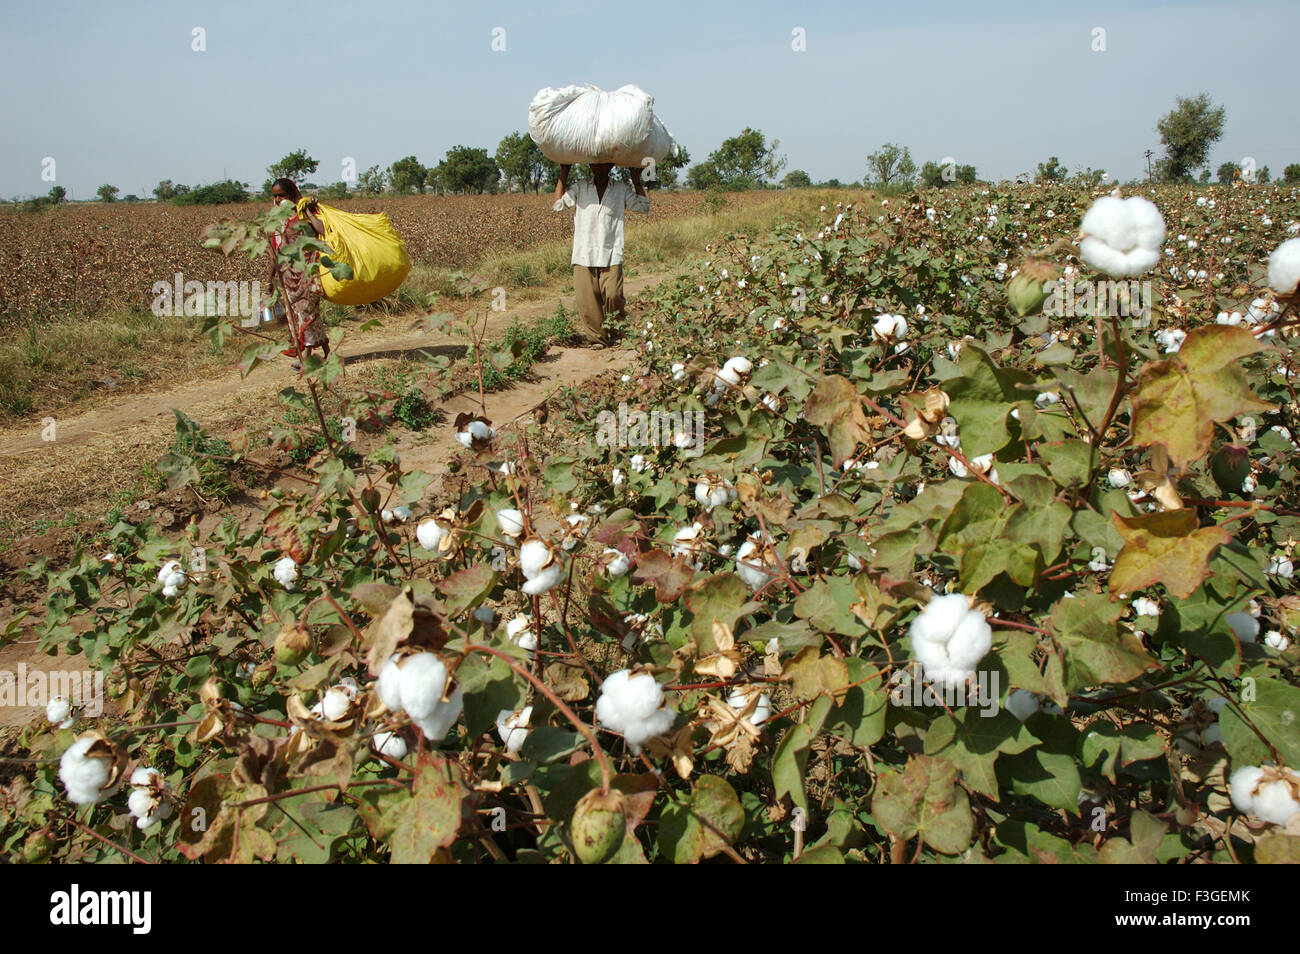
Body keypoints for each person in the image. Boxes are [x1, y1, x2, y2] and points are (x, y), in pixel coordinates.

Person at [552, 162, 649, 347]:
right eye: (596, 165)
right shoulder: (580, 187)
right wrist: (564, 172)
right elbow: (558, 205)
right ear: (591, 166)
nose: (600, 168)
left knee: (613, 295)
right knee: (588, 302)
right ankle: (598, 339)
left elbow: (643, 207)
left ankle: (617, 333)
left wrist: (636, 181)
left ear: (611, 166)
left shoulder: (620, 189)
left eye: (604, 165)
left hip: (611, 252)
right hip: (583, 253)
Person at [265, 178, 330, 369]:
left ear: (292, 195)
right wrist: (268, 282)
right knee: (300, 316)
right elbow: (273, 255)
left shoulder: (303, 215)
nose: (278, 200)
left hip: (308, 273)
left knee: (306, 314)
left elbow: (322, 230)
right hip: (288, 278)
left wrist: (307, 211)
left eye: (282, 195)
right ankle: (326, 352)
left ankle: (307, 359)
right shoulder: (276, 223)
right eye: (275, 196)